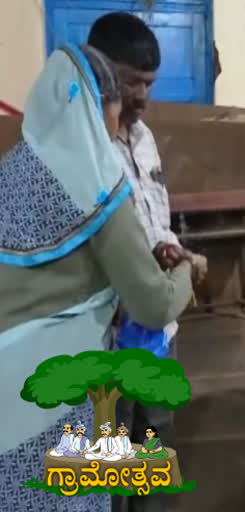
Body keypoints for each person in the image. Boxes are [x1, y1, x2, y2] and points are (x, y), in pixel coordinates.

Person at [0, 44, 193, 512]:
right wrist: (188, 271)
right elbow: (153, 304)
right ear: (97, 110)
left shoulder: (9, 173)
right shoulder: (98, 192)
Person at [87, 10, 205, 462]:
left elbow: (153, 212)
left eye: (148, 84)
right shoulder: (83, 147)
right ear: (97, 71)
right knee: (110, 452)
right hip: (108, 332)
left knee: (155, 438)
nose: (140, 96)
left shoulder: (144, 138)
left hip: (156, 325)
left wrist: (165, 245)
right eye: (129, 82)